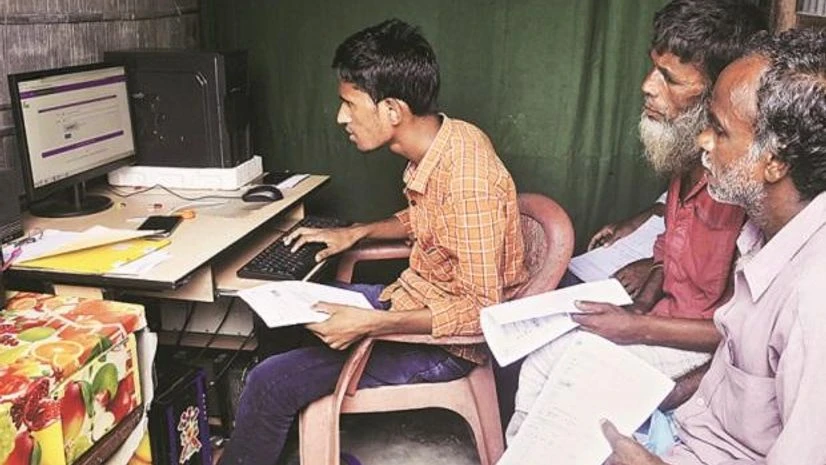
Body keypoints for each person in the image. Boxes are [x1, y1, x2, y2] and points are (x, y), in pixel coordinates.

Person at [219, 19, 528, 465]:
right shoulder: (444, 139)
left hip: (446, 346)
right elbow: (432, 220)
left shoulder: (468, 177)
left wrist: (369, 325)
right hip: (405, 301)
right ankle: (293, 444)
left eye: (349, 103)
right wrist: (357, 232)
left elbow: (481, 312)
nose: (340, 116)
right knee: (275, 314)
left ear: (392, 110)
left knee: (271, 381)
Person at [507, 0, 766, 442]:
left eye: (670, 78)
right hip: (660, 324)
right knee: (541, 362)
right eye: (654, 69)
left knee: (567, 382)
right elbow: (668, 259)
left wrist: (635, 328)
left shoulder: (743, 190)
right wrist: (639, 306)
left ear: (717, 94)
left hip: (696, 351)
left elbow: (734, 333)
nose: (648, 87)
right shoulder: (688, 162)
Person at [602, 27, 826, 465]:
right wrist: (655, 400)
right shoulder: (766, 236)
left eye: (720, 131)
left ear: (775, 161)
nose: (704, 141)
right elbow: (733, 389)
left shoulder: (812, 300)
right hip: (686, 436)